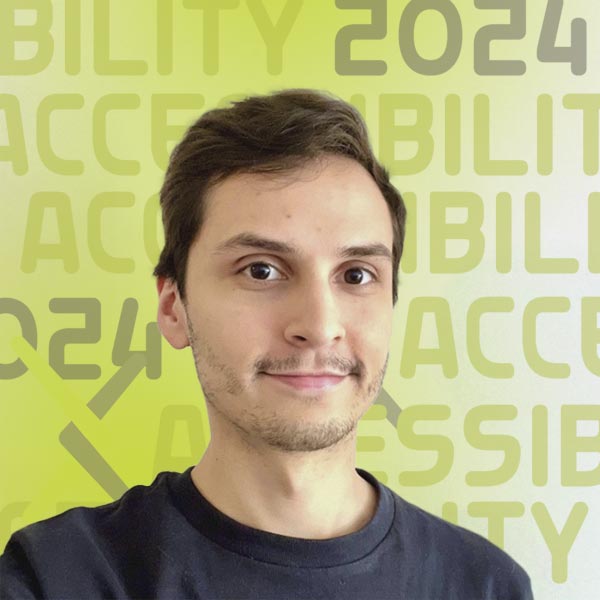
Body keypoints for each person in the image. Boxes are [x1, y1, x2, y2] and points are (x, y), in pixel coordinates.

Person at [0, 89, 534, 599]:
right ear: (173, 308)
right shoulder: (55, 578)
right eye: (261, 270)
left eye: (356, 275)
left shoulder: (486, 586)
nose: (319, 325)